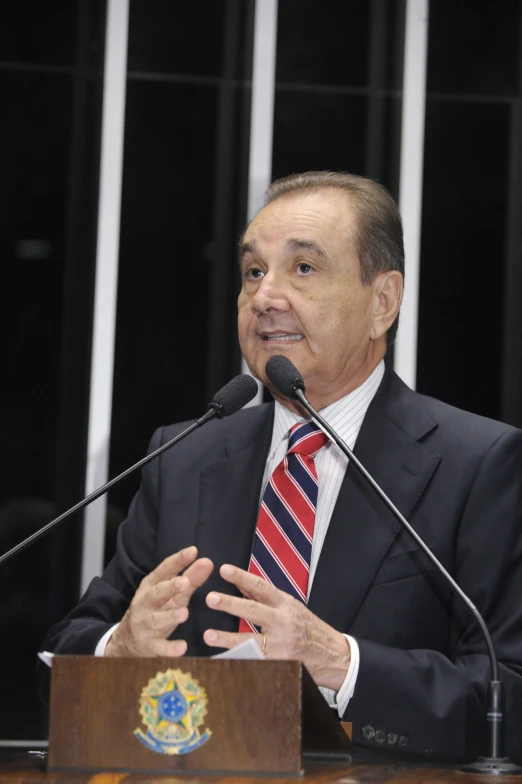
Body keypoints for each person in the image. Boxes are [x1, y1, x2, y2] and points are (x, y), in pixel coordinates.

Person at [39, 171, 522, 762]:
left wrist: (341, 664)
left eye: (303, 269)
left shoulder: (476, 464)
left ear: (383, 302)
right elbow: (64, 657)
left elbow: (508, 698)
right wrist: (120, 649)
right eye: (253, 272)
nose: (266, 297)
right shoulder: (185, 457)